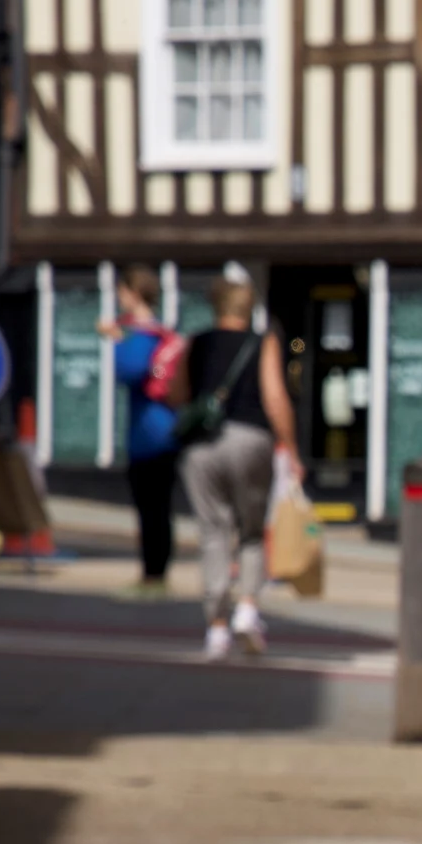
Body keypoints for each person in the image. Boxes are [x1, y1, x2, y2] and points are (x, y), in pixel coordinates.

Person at [174, 266, 295, 658]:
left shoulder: (195, 343)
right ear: (249, 307)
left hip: (202, 446)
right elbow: (275, 397)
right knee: (251, 530)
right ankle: (247, 607)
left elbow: (176, 391)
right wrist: (290, 447)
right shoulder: (263, 343)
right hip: (250, 440)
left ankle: (216, 628)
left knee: (212, 532)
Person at [102, 266, 182, 592]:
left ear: (133, 294)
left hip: (148, 435)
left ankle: (153, 574)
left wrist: (116, 341)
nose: (119, 300)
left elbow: (129, 371)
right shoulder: (163, 334)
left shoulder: (139, 336)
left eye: (121, 292)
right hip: (169, 430)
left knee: (150, 508)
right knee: (160, 507)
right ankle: (157, 570)